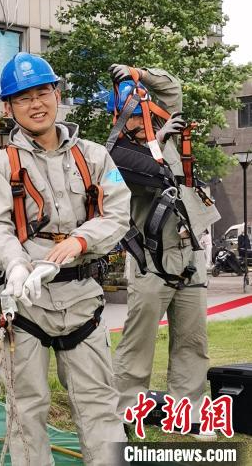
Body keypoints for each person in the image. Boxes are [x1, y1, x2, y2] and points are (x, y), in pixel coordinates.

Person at [0, 52, 131, 466]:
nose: (36, 104)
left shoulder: (95, 156)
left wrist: (78, 243)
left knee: (100, 403)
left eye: (42, 92)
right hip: (23, 303)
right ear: (9, 107)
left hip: (82, 297)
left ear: (57, 93)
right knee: (26, 409)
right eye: (23, 98)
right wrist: (16, 264)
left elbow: (118, 212)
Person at [107, 64, 220, 440]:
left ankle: (186, 413)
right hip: (151, 259)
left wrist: (137, 74)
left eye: (146, 114)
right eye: (135, 117)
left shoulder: (167, 135)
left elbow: (172, 87)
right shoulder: (118, 157)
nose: (143, 123)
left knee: (192, 340)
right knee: (138, 343)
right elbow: (149, 177)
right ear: (122, 121)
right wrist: (156, 143)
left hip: (190, 254)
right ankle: (123, 411)